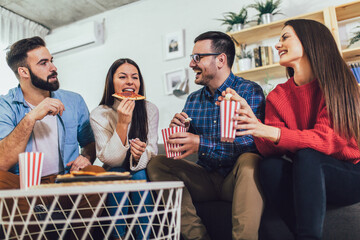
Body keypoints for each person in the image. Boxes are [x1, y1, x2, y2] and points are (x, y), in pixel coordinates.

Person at [218, 19, 360, 240]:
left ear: (310, 41)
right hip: (307, 175)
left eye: (285, 37)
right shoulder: (278, 95)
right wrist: (253, 123)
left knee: (308, 155)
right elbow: (270, 150)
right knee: (270, 166)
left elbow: (327, 140)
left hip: (350, 174)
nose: (277, 45)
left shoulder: (338, 82)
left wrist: (268, 131)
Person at [147, 31, 265, 240]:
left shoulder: (249, 91)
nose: (192, 64)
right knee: (157, 163)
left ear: (221, 60)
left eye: (198, 58)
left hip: (235, 179)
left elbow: (252, 144)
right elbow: (186, 147)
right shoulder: (193, 100)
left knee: (251, 159)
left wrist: (201, 144)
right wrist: (180, 133)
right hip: (205, 178)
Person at [0, 36, 103, 238]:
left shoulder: (74, 100)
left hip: (64, 181)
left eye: (51, 60)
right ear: (23, 72)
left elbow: (89, 142)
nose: (53, 67)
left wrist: (87, 157)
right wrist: (31, 118)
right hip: (23, 185)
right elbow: (2, 163)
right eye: (43, 63)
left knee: (97, 173)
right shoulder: (5, 106)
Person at [90, 58, 159, 240]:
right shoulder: (99, 114)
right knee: (118, 172)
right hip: (114, 170)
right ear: (111, 82)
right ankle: (119, 236)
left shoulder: (150, 110)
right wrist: (122, 122)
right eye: (122, 77)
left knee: (139, 175)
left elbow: (152, 151)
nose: (130, 81)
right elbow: (110, 159)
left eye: (135, 77)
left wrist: (138, 156)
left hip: (141, 171)